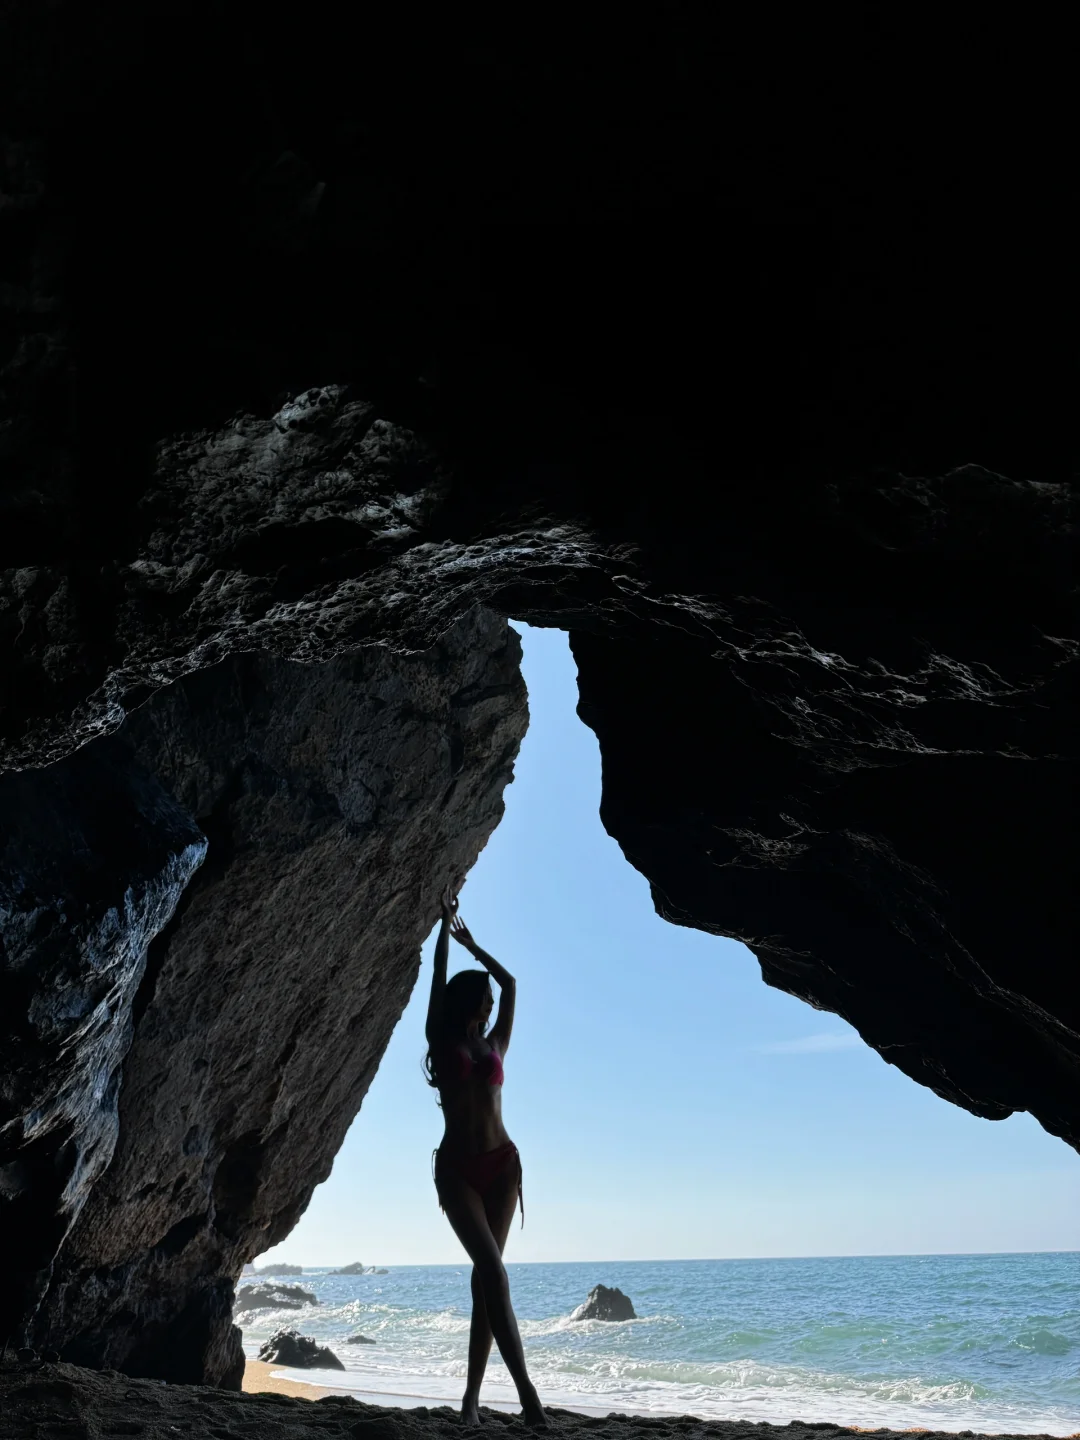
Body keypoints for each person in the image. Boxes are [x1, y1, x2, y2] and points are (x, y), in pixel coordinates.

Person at [424, 883, 547, 1428]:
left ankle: (471, 1400)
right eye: (484, 999)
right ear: (468, 999)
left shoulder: (496, 1045)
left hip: (502, 1166)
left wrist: (476, 944)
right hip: (457, 1172)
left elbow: (513, 983)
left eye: (492, 1004)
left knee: (486, 1280)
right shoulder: (440, 1036)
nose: (491, 1004)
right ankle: (529, 1399)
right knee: (493, 1272)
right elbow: (436, 984)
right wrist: (445, 936)